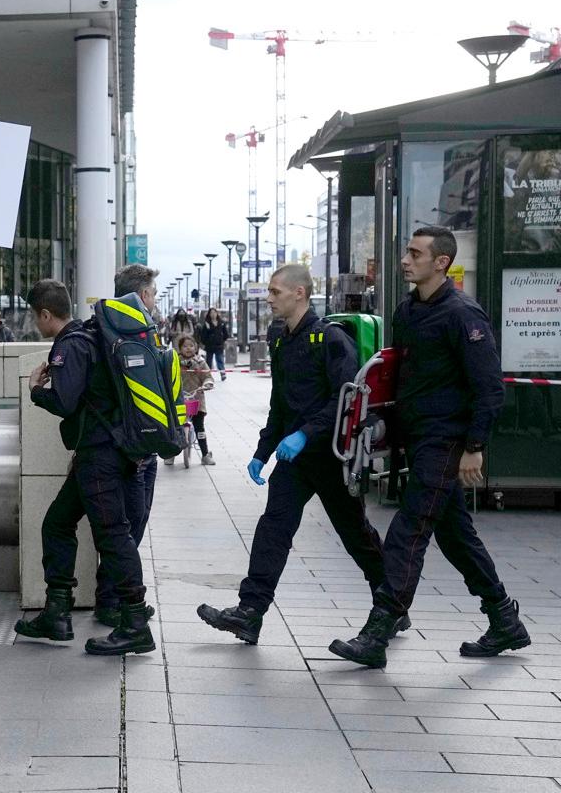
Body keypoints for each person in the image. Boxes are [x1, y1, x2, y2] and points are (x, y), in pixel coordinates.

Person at [330, 227, 526, 668]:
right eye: (407, 252)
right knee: (456, 536)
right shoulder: (408, 310)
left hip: (446, 440)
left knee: (409, 529)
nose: (405, 260)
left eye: (416, 254)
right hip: (417, 440)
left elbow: (489, 387)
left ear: (441, 262)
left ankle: (379, 630)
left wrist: (474, 445)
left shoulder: (463, 315)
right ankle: (504, 619)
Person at [197, 264, 393, 645]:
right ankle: (250, 612)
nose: (269, 298)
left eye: (275, 292)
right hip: (295, 460)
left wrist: (305, 434)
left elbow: (344, 398)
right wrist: (263, 450)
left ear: (299, 293)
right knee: (274, 527)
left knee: (356, 535)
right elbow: (280, 404)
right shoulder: (281, 339)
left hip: (331, 456)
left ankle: (391, 603)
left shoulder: (332, 340)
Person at [14, 279, 154, 657]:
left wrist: (35, 388)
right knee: (58, 523)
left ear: (46, 314)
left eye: (35, 316)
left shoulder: (72, 344)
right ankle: (56, 613)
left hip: (99, 456)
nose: (35, 323)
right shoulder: (91, 337)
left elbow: (64, 400)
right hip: (105, 452)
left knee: (112, 535)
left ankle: (136, 622)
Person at [89, 264, 161, 629]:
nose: (155, 301)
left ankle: (118, 598)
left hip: (139, 447)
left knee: (131, 527)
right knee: (125, 530)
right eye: (154, 294)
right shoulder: (110, 333)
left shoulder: (136, 333)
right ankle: (113, 601)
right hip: (130, 450)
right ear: (143, 295)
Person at [175, 335, 216, 466]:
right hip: (179, 399)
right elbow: (167, 376)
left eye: (191, 345)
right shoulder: (174, 362)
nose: (188, 348)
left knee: (200, 428)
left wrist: (206, 384)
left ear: (196, 347)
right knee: (174, 427)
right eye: (185, 346)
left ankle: (204, 454)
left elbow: (208, 376)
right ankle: (170, 454)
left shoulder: (201, 362)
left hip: (196, 399)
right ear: (180, 348)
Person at [198, 307, 230, 380]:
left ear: (217, 314)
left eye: (214, 313)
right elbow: (203, 335)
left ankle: (222, 374)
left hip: (219, 345)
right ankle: (208, 375)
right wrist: (205, 342)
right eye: (211, 313)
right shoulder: (207, 324)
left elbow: (225, 334)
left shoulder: (221, 323)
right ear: (209, 314)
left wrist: (224, 340)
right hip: (210, 345)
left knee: (220, 359)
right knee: (209, 360)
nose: (213, 314)